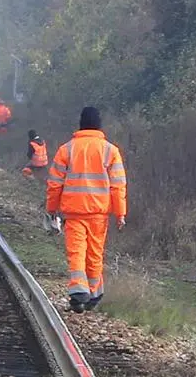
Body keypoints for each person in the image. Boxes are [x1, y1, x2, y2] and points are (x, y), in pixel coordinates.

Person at [46, 106, 127, 313]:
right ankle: (93, 292)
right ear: (99, 125)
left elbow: (55, 183)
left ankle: (79, 292)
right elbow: (118, 185)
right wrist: (120, 213)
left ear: (80, 124)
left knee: (76, 251)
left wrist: (52, 208)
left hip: (73, 212)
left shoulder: (67, 149)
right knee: (95, 253)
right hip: (99, 214)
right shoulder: (111, 150)